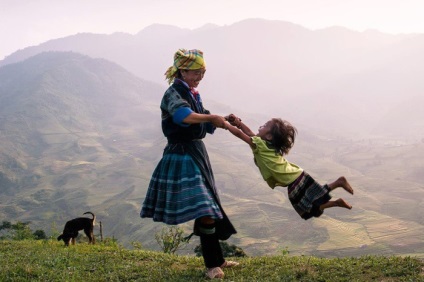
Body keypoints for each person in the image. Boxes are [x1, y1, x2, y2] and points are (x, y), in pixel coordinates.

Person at [140, 49, 238, 279]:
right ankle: (212, 265)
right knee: (206, 209)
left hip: (196, 153)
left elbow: (202, 115)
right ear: (182, 70)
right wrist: (210, 118)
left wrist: (223, 119)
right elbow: (184, 116)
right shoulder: (173, 93)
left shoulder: (193, 93)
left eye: (202, 73)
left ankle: (217, 259)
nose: (199, 77)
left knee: (209, 207)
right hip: (181, 155)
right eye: (196, 73)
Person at [224, 114, 354, 220]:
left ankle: (339, 184)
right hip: (296, 176)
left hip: (293, 180)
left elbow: (242, 135)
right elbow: (249, 133)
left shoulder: (259, 144)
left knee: (309, 206)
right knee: (309, 207)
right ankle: (337, 197)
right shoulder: (264, 144)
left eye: (264, 126)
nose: (260, 127)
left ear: (269, 136)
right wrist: (239, 123)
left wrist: (226, 125)